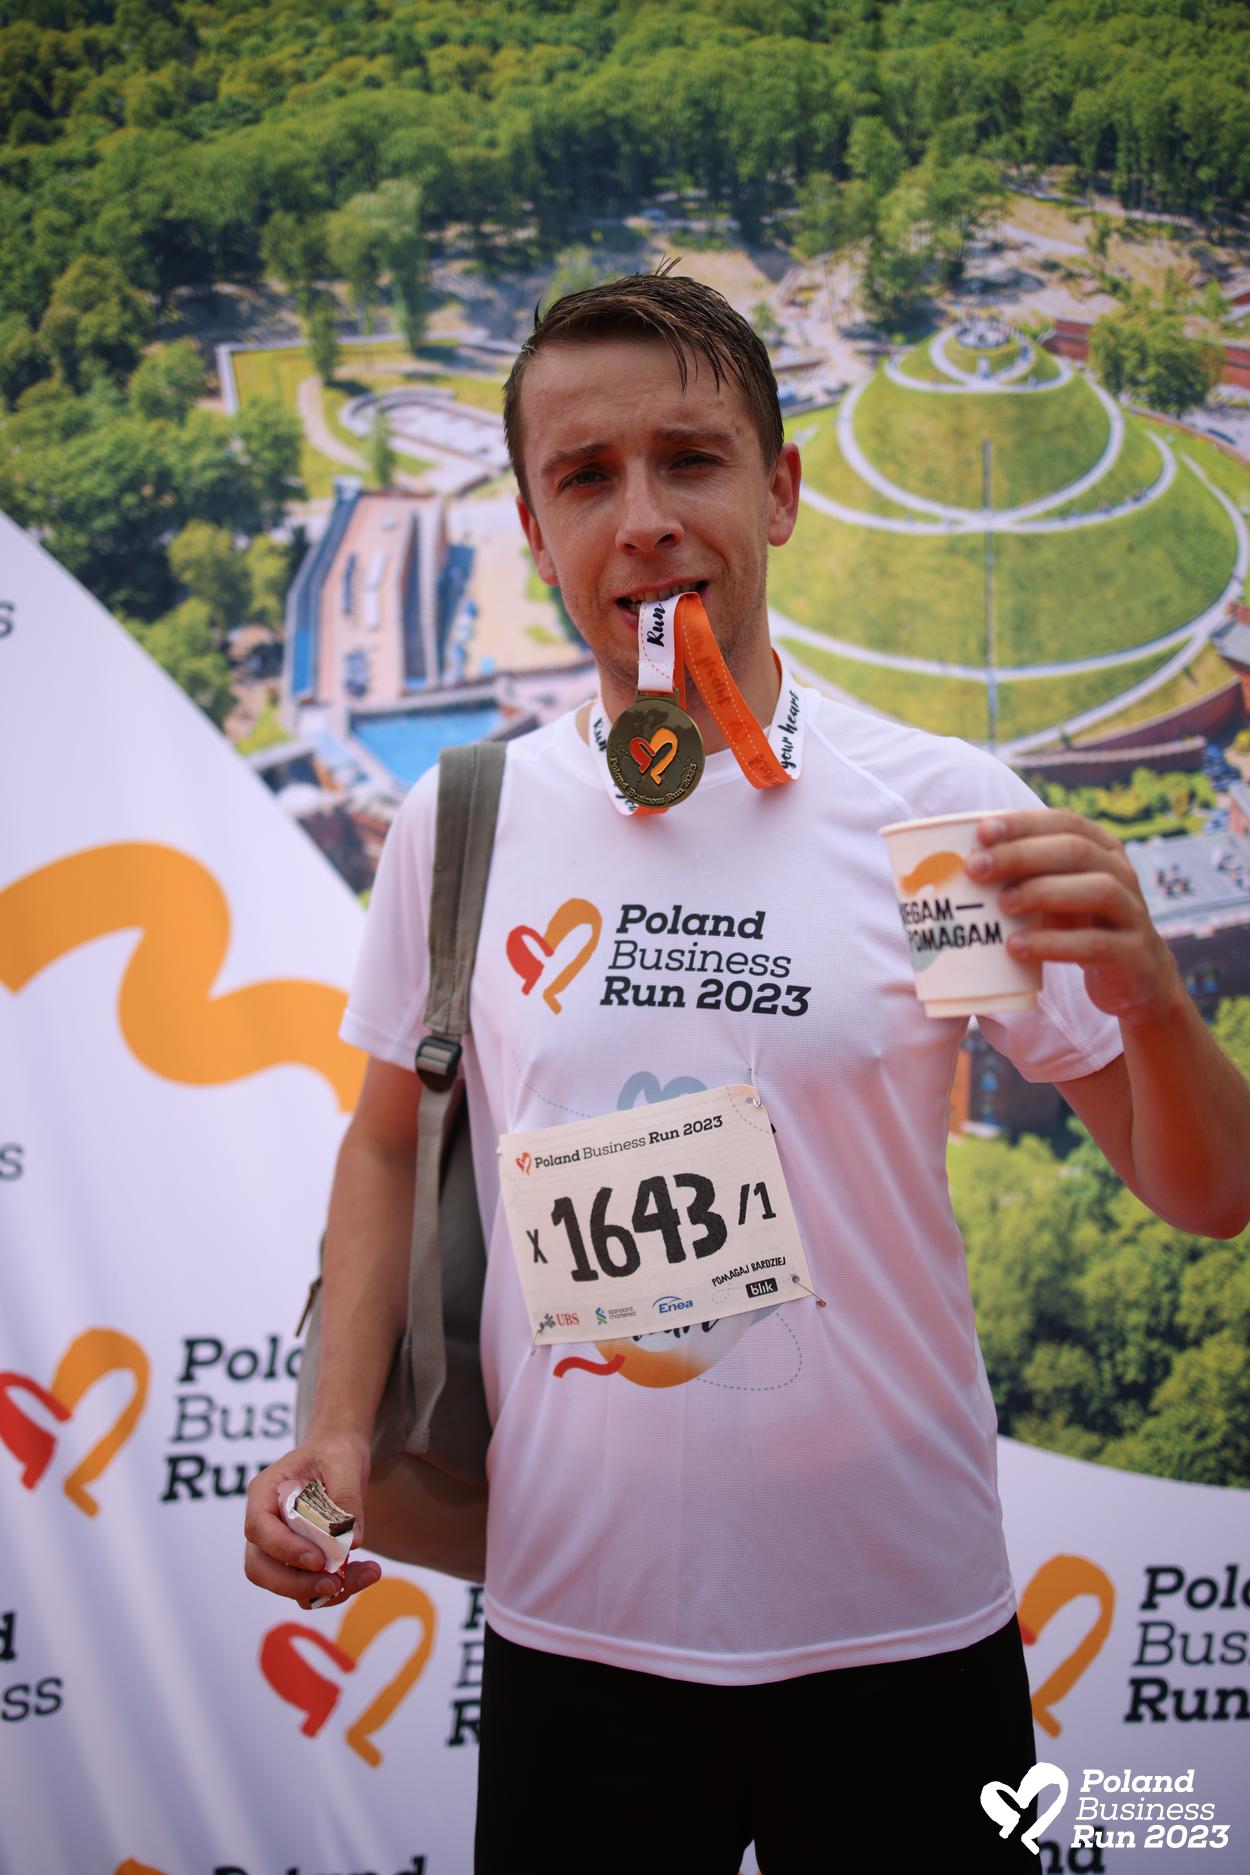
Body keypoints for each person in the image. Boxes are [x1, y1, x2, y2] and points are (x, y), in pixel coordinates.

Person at [245, 270, 1250, 1871]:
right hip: (579, 1621)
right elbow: (384, 1145)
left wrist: (1153, 1009)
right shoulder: (469, 817)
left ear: (777, 493)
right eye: (586, 478)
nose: (643, 520)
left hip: (903, 1620)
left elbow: (1205, 1194)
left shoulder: (934, 819)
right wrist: (335, 1429)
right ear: (535, 531)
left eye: (691, 460)